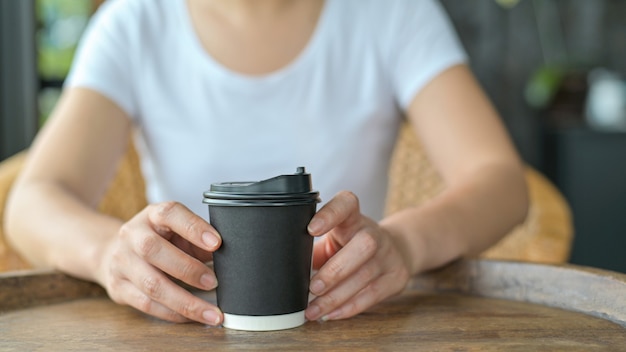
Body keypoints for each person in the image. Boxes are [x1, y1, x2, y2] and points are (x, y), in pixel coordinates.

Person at [4, 0, 528, 326]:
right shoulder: (134, 22)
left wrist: (407, 243)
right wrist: (107, 253)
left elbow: (501, 181)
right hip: (189, 331)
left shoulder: (392, 13)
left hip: (341, 327)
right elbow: (33, 200)